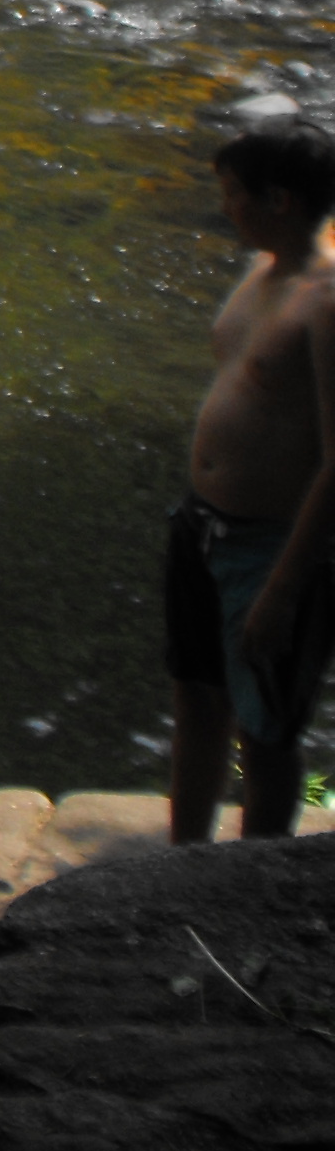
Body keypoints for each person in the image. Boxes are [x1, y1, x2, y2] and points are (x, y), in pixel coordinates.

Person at [169, 121, 335, 841]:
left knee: (265, 731)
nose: (225, 208)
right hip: (200, 525)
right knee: (198, 702)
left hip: (269, 548)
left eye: (234, 195)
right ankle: (181, 867)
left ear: (280, 199)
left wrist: (283, 588)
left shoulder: (326, 302)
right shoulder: (258, 271)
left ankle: (248, 892)